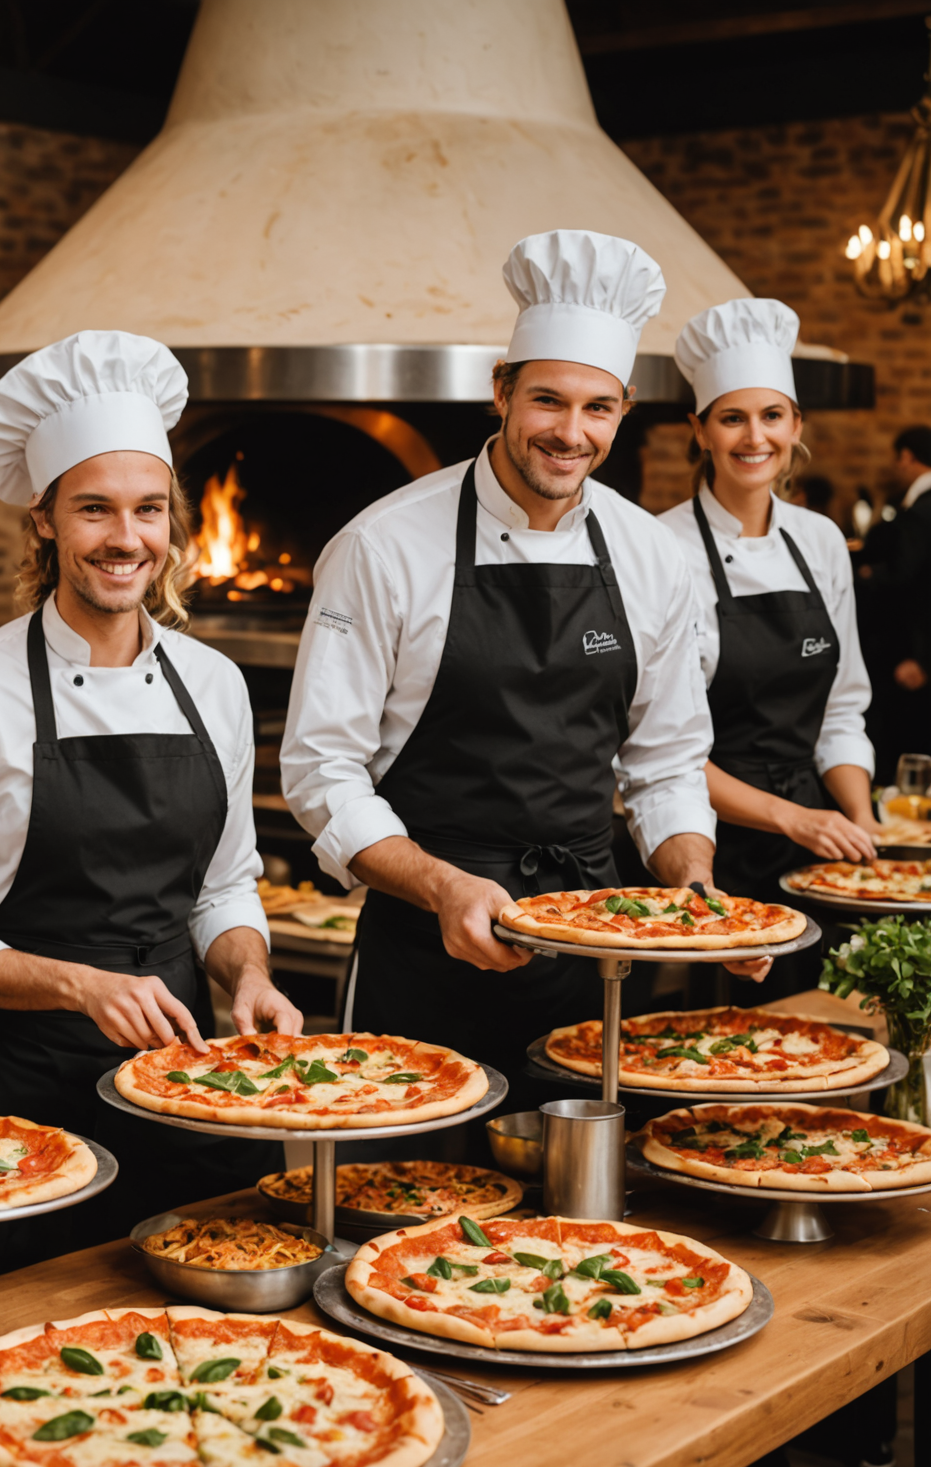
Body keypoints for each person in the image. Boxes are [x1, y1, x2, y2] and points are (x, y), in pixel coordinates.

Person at [280, 230, 760, 1149]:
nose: (570, 433)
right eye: (547, 399)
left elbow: (664, 764)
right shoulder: (383, 546)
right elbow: (321, 772)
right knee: (399, 1208)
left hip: (590, 945)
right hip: (424, 941)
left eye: (598, 409)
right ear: (501, 391)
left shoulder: (652, 557)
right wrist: (442, 885)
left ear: (624, 414)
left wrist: (694, 889)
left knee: (570, 1219)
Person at [0, 330, 302, 1280]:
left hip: (197, 1076)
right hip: (36, 1094)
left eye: (148, 510)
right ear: (43, 521)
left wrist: (246, 975)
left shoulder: (214, 683)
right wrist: (80, 985)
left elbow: (227, 885)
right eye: (95, 510)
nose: (127, 539)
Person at [660, 299, 877, 1000]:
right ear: (699, 431)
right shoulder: (660, 550)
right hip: (702, 842)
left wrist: (862, 823)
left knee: (823, 1028)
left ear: (796, 425)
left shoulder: (820, 541)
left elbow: (841, 711)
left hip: (815, 844)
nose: (755, 437)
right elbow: (661, 751)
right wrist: (794, 817)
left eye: (772, 416)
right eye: (731, 418)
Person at [861, 426, 931, 769]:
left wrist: (922, 658)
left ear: (906, 457)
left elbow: (911, 582)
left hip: (912, 658)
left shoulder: (921, 512)